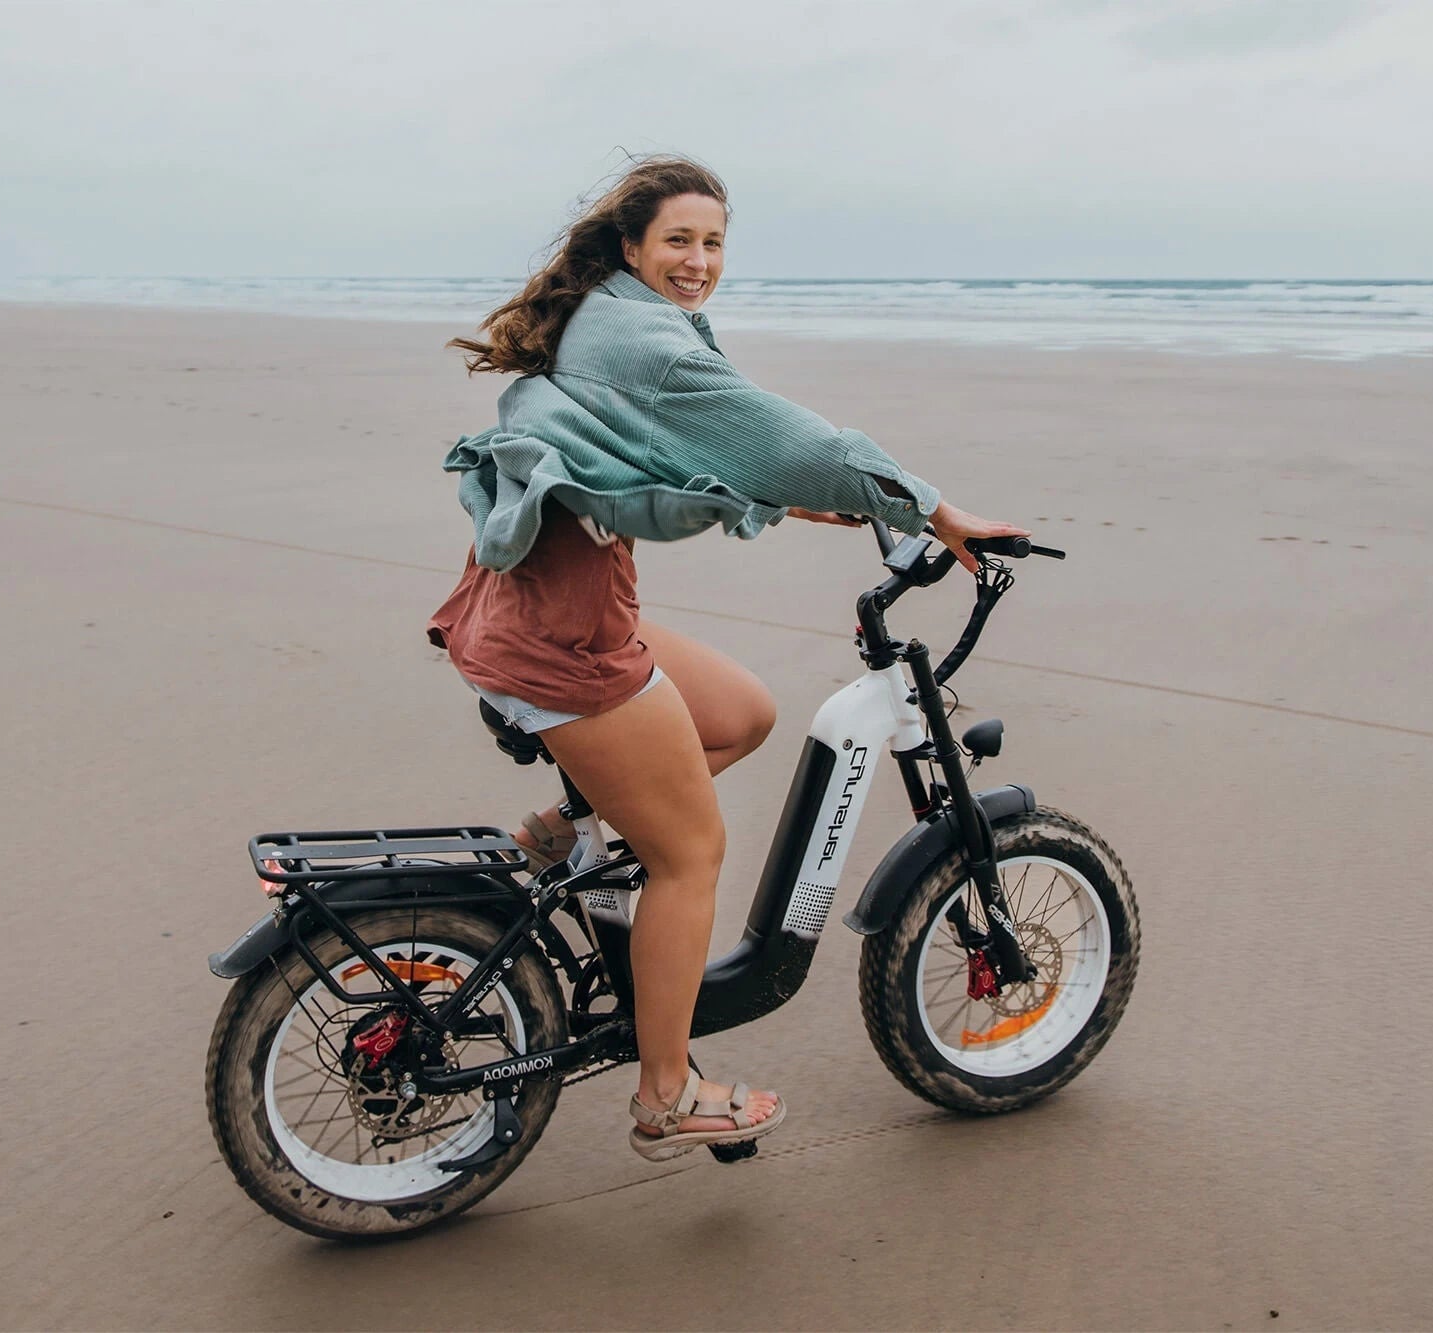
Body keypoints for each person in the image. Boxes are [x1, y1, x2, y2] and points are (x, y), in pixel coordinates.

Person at [427, 155, 1027, 1161]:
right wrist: (929, 504)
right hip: (561, 638)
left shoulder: (606, 318)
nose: (697, 261)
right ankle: (666, 1093)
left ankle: (564, 831)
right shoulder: (647, 338)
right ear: (629, 246)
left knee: (739, 713)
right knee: (689, 853)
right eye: (677, 241)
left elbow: (652, 455)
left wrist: (783, 493)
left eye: (711, 244)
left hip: (537, 607)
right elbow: (783, 431)